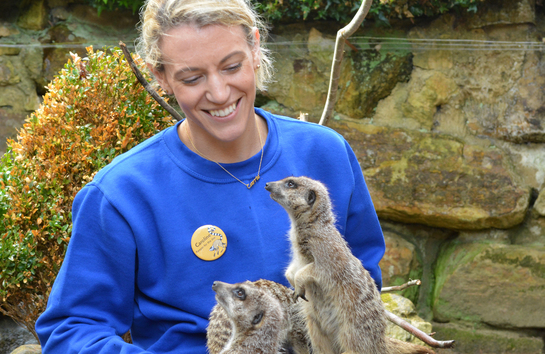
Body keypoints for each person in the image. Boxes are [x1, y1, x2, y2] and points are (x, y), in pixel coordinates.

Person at [35, 0, 386, 352]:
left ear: (255, 47)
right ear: (160, 77)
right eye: (192, 77)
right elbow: (72, 328)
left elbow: (362, 288)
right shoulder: (122, 193)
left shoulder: (326, 154)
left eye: (231, 66)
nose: (219, 93)